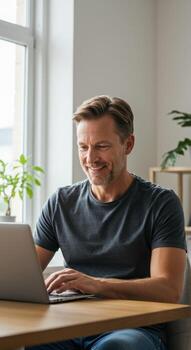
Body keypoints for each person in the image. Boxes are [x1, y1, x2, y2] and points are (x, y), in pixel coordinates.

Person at [27, 96, 186, 350]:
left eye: (101, 146)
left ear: (128, 144)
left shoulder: (161, 203)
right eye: (83, 147)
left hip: (132, 329)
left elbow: (169, 288)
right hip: (69, 325)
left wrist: (96, 285)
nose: (90, 158)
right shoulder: (61, 202)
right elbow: (24, 276)